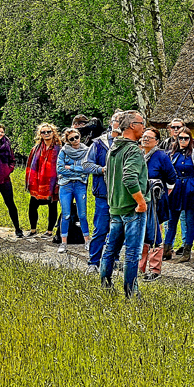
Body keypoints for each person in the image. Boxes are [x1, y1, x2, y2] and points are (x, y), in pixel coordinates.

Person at [100, 110, 150, 297]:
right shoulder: (133, 150)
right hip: (132, 208)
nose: (144, 127)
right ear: (132, 126)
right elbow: (130, 178)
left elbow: (107, 175)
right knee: (132, 253)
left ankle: (105, 285)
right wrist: (141, 202)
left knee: (111, 248)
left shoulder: (114, 148)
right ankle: (131, 292)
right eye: (141, 122)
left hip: (116, 207)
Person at [83, 114, 120, 273]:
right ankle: (94, 262)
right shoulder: (99, 143)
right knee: (100, 228)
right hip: (103, 193)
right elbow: (86, 164)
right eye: (117, 120)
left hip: (122, 194)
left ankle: (114, 259)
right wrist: (101, 169)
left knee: (118, 229)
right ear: (111, 123)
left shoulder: (131, 143)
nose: (119, 123)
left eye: (122, 120)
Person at [140, 126, 177, 281]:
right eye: (144, 136)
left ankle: (155, 269)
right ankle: (139, 267)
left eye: (149, 137)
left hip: (155, 200)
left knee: (155, 234)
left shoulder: (161, 156)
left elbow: (172, 178)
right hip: (138, 199)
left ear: (156, 141)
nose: (146, 139)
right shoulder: (137, 153)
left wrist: (161, 194)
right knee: (139, 233)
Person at [165, 126, 194, 263]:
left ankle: (187, 251)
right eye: (180, 138)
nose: (183, 140)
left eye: (186, 138)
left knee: (189, 221)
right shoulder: (171, 153)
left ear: (190, 139)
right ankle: (166, 249)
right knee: (172, 221)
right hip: (175, 190)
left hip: (189, 191)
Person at [56, 127, 92, 253]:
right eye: (71, 139)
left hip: (80, 184)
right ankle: (63, 243)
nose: (75, 140)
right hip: (65, 185)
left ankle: (87, 241)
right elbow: (60, 169)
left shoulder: (87, 150)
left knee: (82, 214)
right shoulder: (63, 151)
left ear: (80, 136)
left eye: (76, 137)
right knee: (65, 214)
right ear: (68, 141)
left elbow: (87, 168)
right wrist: (78, 169)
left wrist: (71, 167)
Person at [25, 123, 61, 238]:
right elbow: (30, 166)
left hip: (52, 182)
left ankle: (50, 231)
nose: (46, 134)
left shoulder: (59, 148)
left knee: (52, 206)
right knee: (32, 206)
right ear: (40, 134)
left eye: (48, 132)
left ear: (53, 132)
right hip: (37, 183)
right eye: (43, 132)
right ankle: (33, 230)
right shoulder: (35, 149)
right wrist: (29, 181)